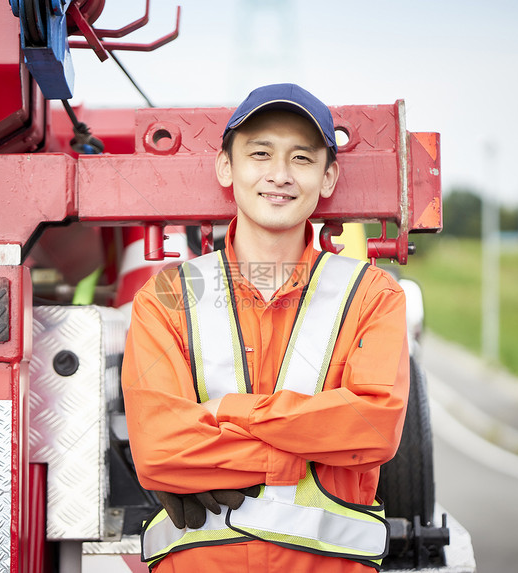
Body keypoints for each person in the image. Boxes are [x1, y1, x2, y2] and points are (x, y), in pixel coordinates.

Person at [121, 83, 410, 572]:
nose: (279, 175)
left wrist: (228, 414)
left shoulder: (373, 294)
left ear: (328, 177)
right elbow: (157, 448)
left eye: (301, 158)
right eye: (260, 153)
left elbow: (373, 426)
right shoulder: (167, 296)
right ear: (226, 168)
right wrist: (298, 456)